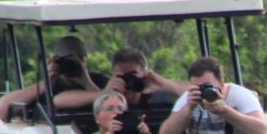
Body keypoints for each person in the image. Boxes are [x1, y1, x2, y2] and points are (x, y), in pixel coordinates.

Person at [0, 35, 108, 121]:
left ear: (85, 60)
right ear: (56, 61)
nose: (70, 64)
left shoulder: (100, 81)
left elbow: (114, 108)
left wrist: (87, 82)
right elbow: (1, 109)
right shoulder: (48, 86)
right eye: (65, 60)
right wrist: (45, 83)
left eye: (79, 58)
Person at [56, 47, 188, 117]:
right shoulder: (107, 91)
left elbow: (199, 93)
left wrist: (165, 84)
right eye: (122, 76)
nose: (127, 80)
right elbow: (58, 101)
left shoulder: (157, 93)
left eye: (133, 75)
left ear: (144, 73)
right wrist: (103, 93)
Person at [158, 56, 267, 134]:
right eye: (198, 87)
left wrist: (225, 111)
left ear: (222, 83)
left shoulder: (241, 95)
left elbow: (263, 131)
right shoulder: (189, 97)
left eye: (208, 86)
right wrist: (188, 108)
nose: (203, 91)